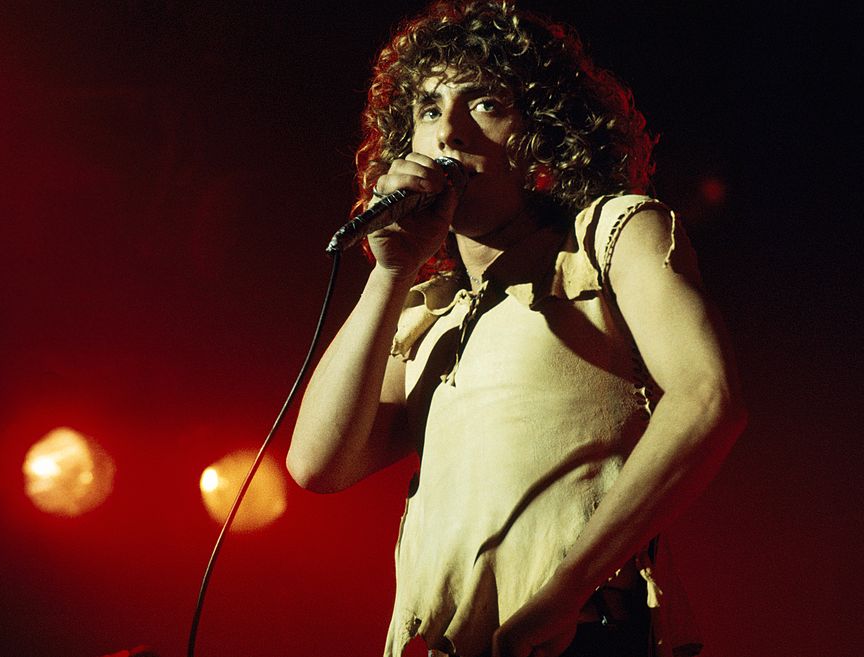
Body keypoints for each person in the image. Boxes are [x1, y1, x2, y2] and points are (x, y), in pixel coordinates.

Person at [286, 2, 746, 656]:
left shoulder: (609, 235)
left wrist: (565, 590)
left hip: (582, 631)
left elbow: (707, 397)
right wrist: (391, 272)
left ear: (543, 133)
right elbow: (317, 464)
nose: (449, 133)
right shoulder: (428, 310)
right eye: (428, 109)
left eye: (484, 105)